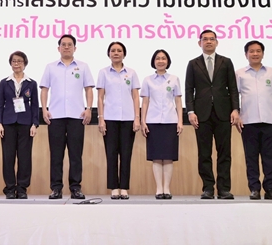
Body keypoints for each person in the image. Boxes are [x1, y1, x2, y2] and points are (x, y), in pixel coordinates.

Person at [185, 29, 240, 200]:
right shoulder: (193, 64)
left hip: (223, 113)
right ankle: (208, 188)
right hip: (201, 114)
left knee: (224, 153)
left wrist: (235, 109)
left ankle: (224, 189)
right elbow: (189, 89)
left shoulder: (226, 62)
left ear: (217, 42)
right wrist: (190, 111)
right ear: (199, 43)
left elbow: (233, 88)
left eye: (212, 39)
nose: (208, 42)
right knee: (204, 153)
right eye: (205, 39)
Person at [40, 34, 94, 200]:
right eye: (63, 44)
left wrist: (89, 109)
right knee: (56, 155)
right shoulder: (50, 67)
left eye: (70, 45)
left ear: (75, 48)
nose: (66, 47)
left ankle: (75, 188)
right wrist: (44, 109)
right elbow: (44, 89)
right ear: (58, 48)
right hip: (55, 116)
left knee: (76, 155)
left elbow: (89, 89)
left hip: (77, 116)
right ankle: (56, 188)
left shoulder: (83, 66)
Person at [235, 40, 272, 200]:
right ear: (246, 54)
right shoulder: (240, 73)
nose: (255, 54)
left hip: (269, 121)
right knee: (251, 157)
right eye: (251, 51)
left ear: (263, 53)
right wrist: (237, 115)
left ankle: (270, 189)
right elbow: (234, 96)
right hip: (248, 122)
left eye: (258, 51)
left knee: (269, 157)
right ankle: (254, 189)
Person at [96, 41, 141, 200]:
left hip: (128, 119)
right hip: (109, 118)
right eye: (113, 50)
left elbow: (135, 97)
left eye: (119, 50)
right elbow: (100, 97)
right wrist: (101, 118)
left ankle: (124, 187)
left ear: (124, 54)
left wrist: (137, 118)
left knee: (126, 154)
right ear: (109, 54)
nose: (116, 53)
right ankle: (114, 187)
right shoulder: (103, 73)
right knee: (111, 154)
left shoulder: (131, 73)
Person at [0, 51, 39, 199]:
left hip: (26, 124)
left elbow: (35, 105)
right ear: (10, 63)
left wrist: (35, 124)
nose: (16, 64)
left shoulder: (31, 83)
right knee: (8, 157)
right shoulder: (4, 82)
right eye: (14, 61)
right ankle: (9, 188)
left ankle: (22, 188)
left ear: (24, 63)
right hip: (7, 123)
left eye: (19, 61)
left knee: (24, 157)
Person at [140, 49, 183, 199]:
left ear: (168, 61)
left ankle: (167, 189)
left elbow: (178, 101)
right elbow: (145, 102)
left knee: (169, 157)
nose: (160, 61)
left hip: (170, 121)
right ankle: (159, 189)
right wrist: (143, 121)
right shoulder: (147, 80)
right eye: (157, 58)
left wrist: (180, 121)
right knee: (157, 157)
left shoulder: (174, 79)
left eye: (163, 58)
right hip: (153, 121)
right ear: (153, 61)